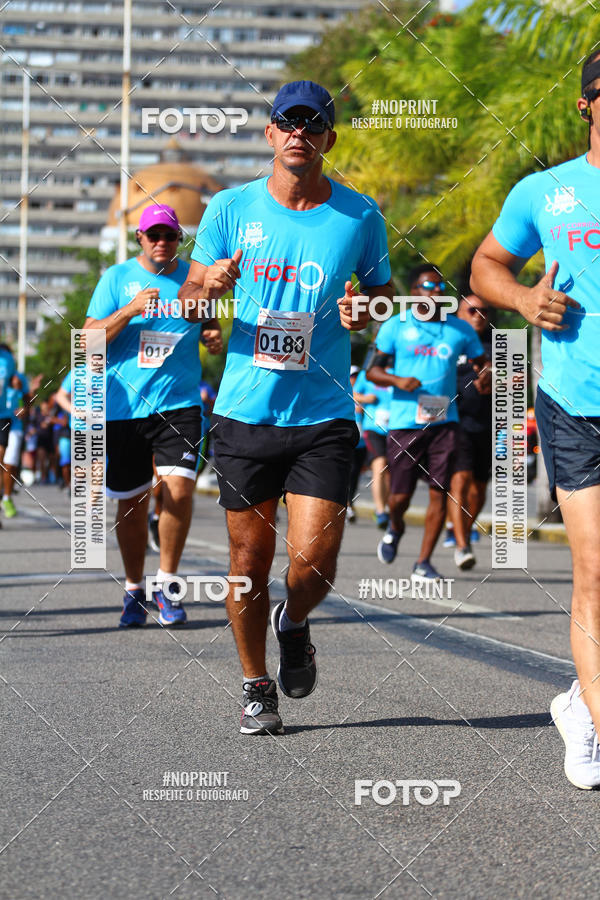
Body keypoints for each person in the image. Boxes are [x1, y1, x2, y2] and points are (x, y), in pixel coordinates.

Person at [180, 79, 393, 734]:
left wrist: (365, 312)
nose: (300, 132)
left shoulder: (360, 216)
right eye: (287, 121)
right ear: (270, 133)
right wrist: (210, 286)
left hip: (323, 413)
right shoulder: (228, 207)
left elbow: (383, 298)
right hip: (245, 413)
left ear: (329, 138)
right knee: (248, 563)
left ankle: (294, 622)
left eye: (313, 123)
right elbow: (189, 300)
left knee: (314, 560)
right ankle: (255, 685)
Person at [470, 52, 600, 789]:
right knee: (596, 570)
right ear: (586, 105)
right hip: (577, 404)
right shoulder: (545, 192)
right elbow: (486, 265)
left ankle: (580, 700)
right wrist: (522, 299)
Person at [83, 204, 222, 628]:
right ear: (140, 239)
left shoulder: (193, 278)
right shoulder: (117, 278)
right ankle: (133, 588)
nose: (162, 242)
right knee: (132, 503)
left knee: (179, 490)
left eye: (170, 235)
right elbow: (86, 342)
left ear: (180, 239)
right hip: (125, 409)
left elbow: (206, 318)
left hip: (179, 404)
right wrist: (128, 310)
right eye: (154, 235)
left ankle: (166, 582)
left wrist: (212, 333)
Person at [368, 264, 488, 580]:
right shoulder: (395, 326)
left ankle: (423, 562)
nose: (436, 292)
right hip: (405, 423)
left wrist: (486, 376)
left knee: (440, 491)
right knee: (400, 498)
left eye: (440, 287)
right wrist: (397, 380)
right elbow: (373, 371)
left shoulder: (459, 330)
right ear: (413, 292)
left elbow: (482, 362)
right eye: (428, 286)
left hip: (445, 422)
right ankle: (395, 526)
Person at [443, 294, 493, 565]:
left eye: (483, 311)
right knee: (460, 480)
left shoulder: (498, 345)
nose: (478, 316)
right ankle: (463, 547)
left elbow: (517, 381)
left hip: (487, 425)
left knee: (479, 490)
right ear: (459, 314)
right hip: (455, 422)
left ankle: (462, 526)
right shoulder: (449, 341)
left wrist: (498, 380)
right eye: (472, 310)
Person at [354, 359, 392, 529]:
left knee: (390, 472)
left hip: (395, 428)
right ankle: (380, 510)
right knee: (380, 464)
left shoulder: (399, 372)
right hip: (373, 428)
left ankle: (386, 507)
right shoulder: (366, 374)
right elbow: (352, 393)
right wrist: (366, 398)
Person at [3, 371, 32, 515]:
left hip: (15, 425)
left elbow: (28, 400)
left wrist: (25, 409)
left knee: (10, 463)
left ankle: (7, 497)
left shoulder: (19, 377)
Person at [347, 364, 368, 523]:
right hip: (346, 440)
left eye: (356, 375)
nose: (354, 379)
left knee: (355, 474)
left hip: (362, 441)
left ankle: (350, 504)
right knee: (346, 473)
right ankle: (345, 505)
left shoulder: (363, 391)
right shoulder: (343, 390)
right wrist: (363, 400)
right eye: (352, 376)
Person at [0, 343, 17, 524]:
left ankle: (5, 498)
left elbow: (14, 384)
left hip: (2, 416)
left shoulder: (8, 359)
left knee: (1, 458)